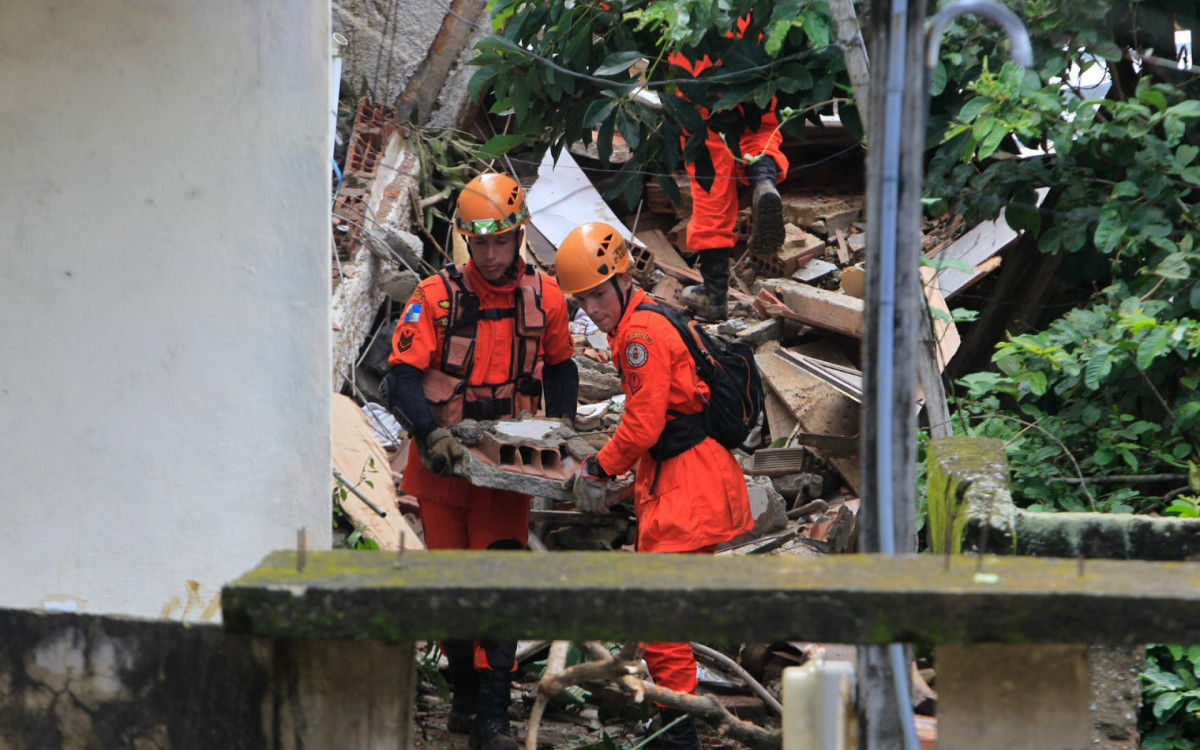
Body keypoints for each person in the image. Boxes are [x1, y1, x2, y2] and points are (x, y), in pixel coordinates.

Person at [381, 172, 578, 750]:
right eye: (479, 243)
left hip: (506, 470)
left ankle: (494, 717)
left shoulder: (546, 298)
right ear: (467, 239)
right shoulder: (435, 297)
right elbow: (401, 377)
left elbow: (562, 366)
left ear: (518, 236)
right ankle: (463, 695)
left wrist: (561, 431)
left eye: (501, 242)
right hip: (443, 469)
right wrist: (428, 434)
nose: (490, 256)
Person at [555, 222, 753, 750]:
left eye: (598, 294)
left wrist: (598, 467)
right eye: (583, 300)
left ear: (622, 280)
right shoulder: (647, 319)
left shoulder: (641, 334)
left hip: (687, 484)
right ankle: (671, 719)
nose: (593, 309)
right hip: (683, 477)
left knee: (659, 617)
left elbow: (642, 426)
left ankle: (676, 731)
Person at [670, 21, 790, 321]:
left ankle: (714, 292)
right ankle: (763, 180)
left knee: (710, 171)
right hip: (754, 38)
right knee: (760, 128)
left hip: (697, 58)